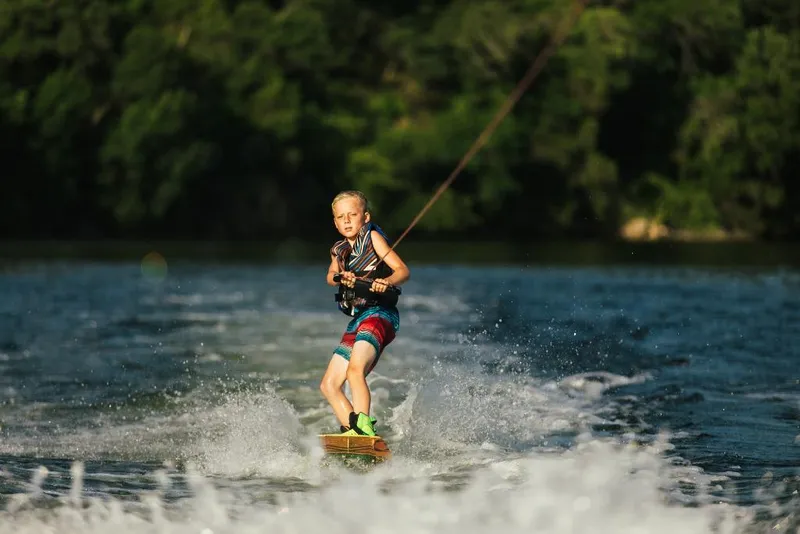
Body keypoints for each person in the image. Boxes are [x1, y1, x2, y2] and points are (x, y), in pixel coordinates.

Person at [320, 190, 410, 436]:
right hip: (359, 319)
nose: (347, 220)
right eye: (341, 217)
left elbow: (403, 270)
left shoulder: (372, 238)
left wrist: (387, 281)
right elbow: (330, 276)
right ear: (335, 223)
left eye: (352, 214)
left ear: (365, 217)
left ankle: (363, 428)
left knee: (354, 370)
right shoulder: (338, 250)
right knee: (329, 385)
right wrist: (341, 276)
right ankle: (353, 431)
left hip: (380, 314)